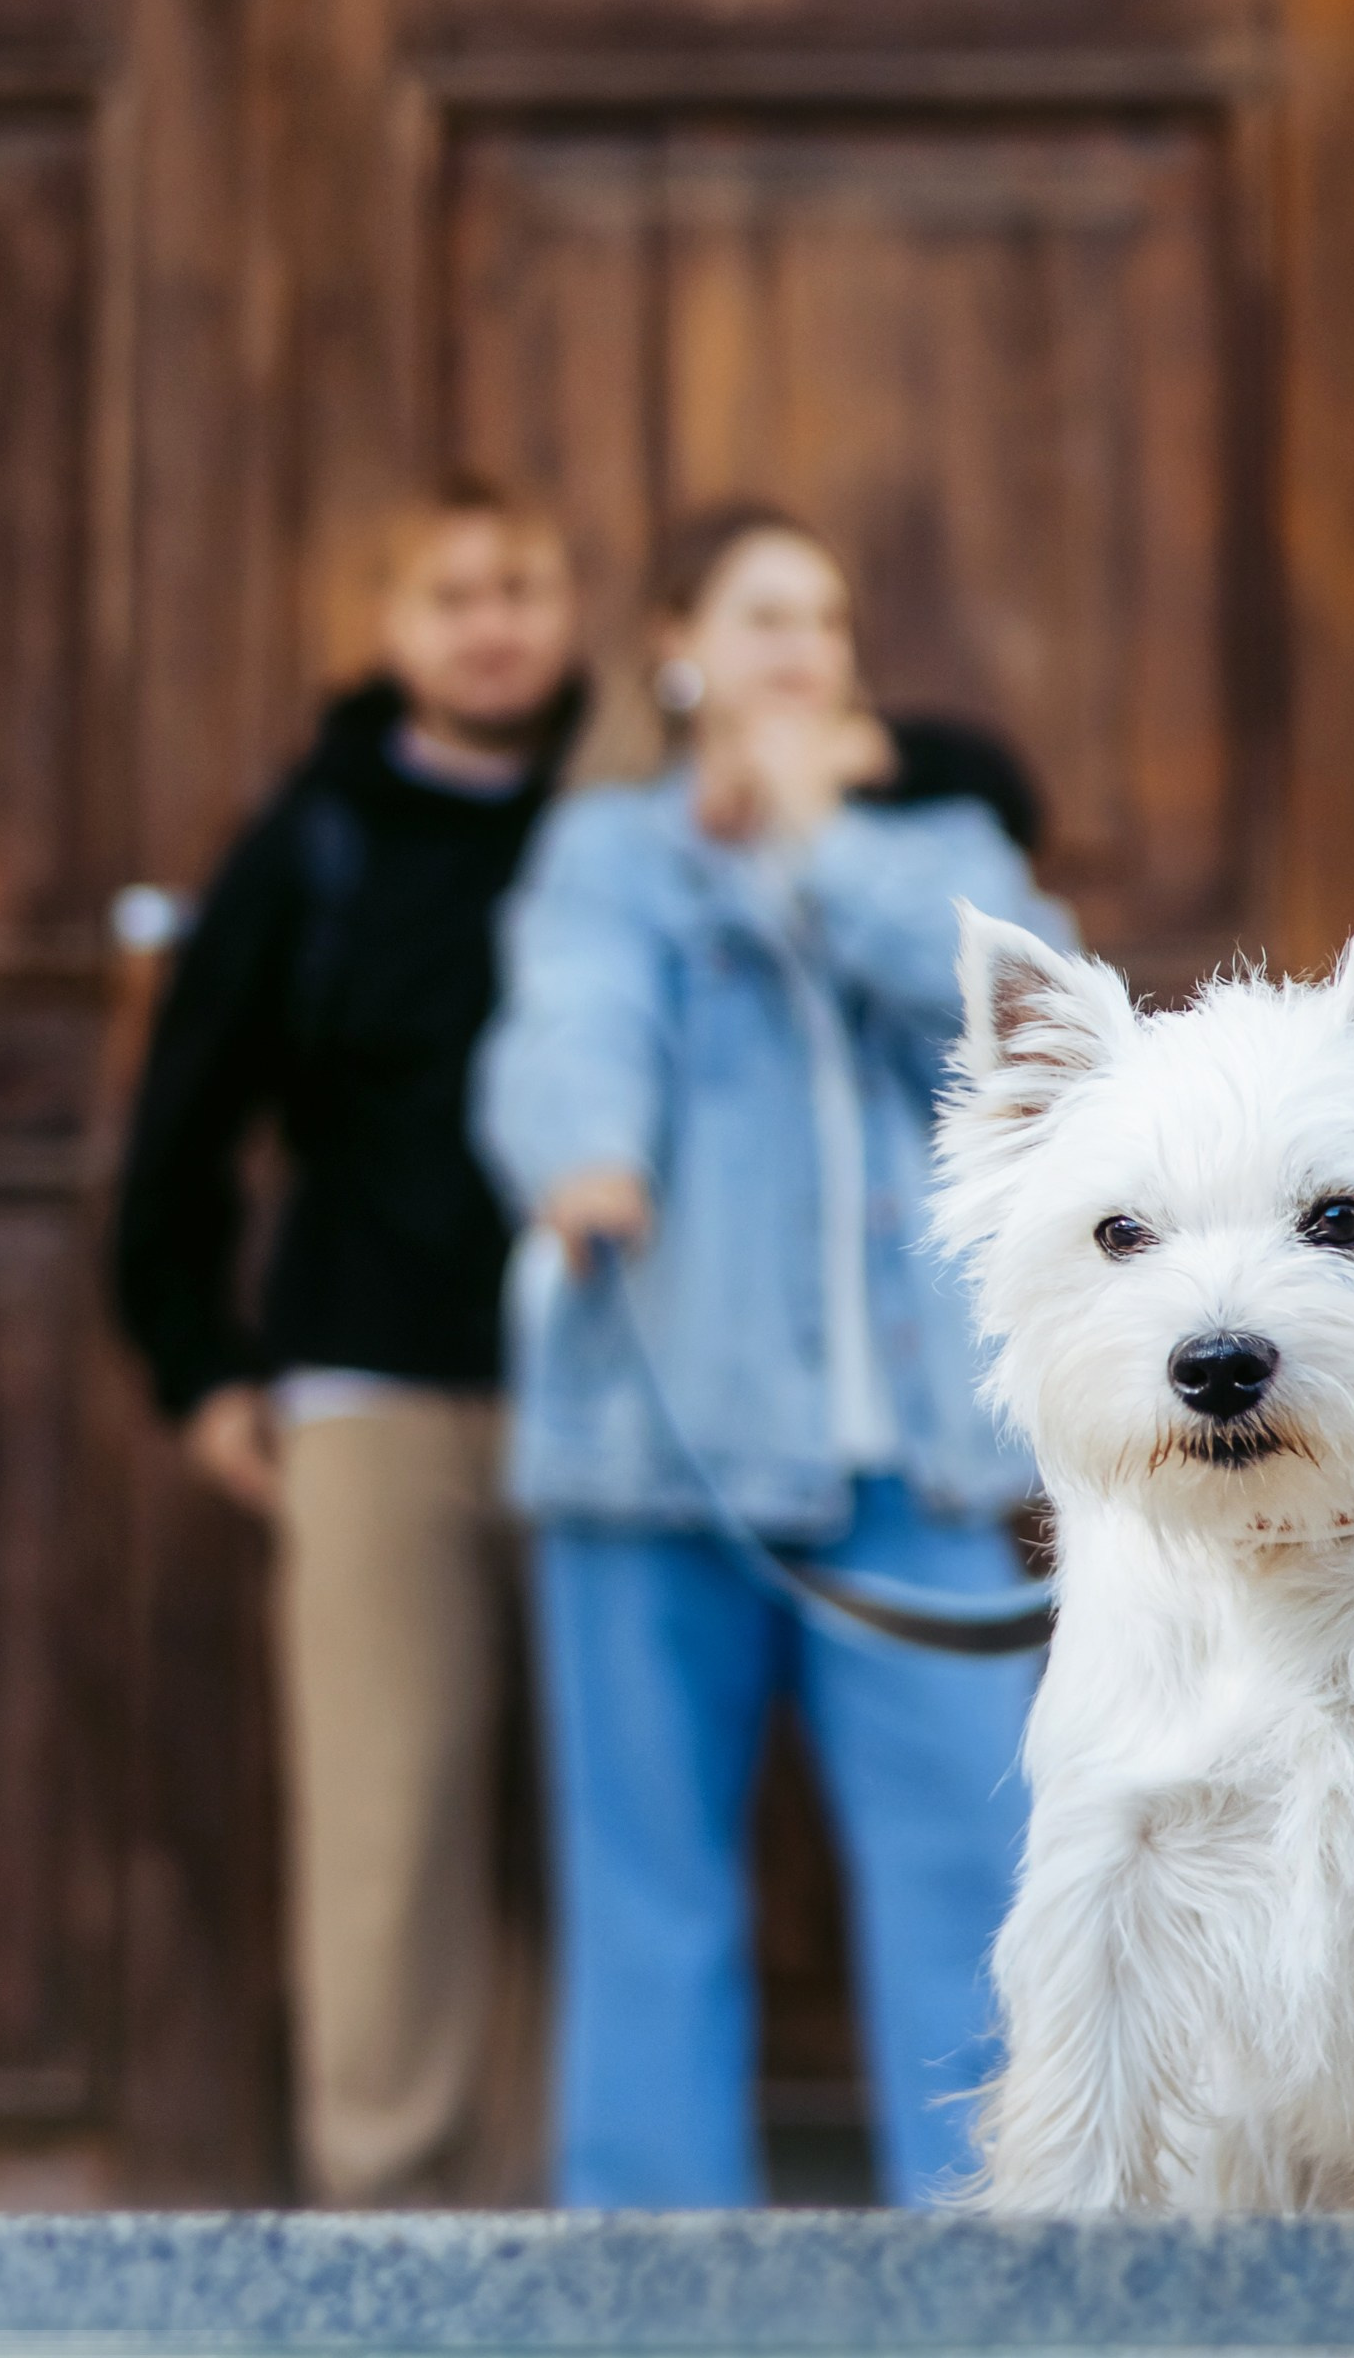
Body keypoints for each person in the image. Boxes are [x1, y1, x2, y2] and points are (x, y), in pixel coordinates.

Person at [473, 502, 1074, 2208]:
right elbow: (566, 1019)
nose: (802, 647)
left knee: (972, 1878)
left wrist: (824, 836)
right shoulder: (610, 853)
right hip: (653, 1461)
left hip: (915, 1470)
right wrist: (587, 1150)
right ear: (680, 648)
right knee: (647, 1887)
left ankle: (990, 2265)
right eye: (761, 615)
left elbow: (1030, 1032)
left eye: (825, 616)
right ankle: (656, 2293)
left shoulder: (937, 846)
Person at [112, 473, 581, 2206]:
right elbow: (181, 1120)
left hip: (614, 1405)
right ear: (390, 630)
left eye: (523, 583)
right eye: (451, 593)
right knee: (390, 1835)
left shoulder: (632, 819)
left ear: (576, 608)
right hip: (375, 1393)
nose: (493, 622)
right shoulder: (313, 841)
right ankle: (397, 2239)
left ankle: (568, 2233)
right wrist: (199, 1361)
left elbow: (951, 779)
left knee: (589, 1843)